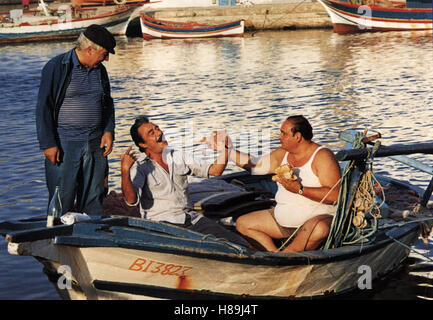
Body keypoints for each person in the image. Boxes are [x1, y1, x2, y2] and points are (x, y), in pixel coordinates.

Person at [120, 116, 250, 248]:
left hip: (191, 219)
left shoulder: (178, 155)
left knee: (241, 245)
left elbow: (215, 171)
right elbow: (131, 200)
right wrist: (125, 171)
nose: (159, 133)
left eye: (157, 128)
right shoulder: (140, 167)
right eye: (151, 133)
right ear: (143, 144)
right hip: (161, 226)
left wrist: (226, 148)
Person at [227, 115, 341, 252]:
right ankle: (275, 255)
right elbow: (255, 165)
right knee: (243, 224)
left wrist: (299, 189)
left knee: (320, 229)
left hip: (316, 221)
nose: (279, 137)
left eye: (284, 133)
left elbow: (335, 195)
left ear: (298, 136)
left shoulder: (322, 156)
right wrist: (228, 150)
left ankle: (287, 255)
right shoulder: (283, 154)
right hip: (281, 221)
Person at [36, 24, 116, 216]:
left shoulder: (100, 71)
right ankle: (56, 238)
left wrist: (108, 130)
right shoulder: (56, 67)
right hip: (64, 145)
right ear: (90, 49)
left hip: (95, 144)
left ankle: (92, 238)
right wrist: (48, 143)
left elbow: (107, 103)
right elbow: (43, 107)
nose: (106, 58)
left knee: (94, 198)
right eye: (104, 53)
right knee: (61, 198)